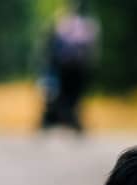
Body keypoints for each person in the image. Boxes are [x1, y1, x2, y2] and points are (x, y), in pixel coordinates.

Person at [40, 1, 100, 131]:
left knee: (68, 95)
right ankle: (68, 119)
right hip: (75, 66)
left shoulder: (63, 22)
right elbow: (91, 48)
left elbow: (53, 44)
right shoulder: (86, 24)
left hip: (68, 66)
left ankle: (67, 119)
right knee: (72, 95)